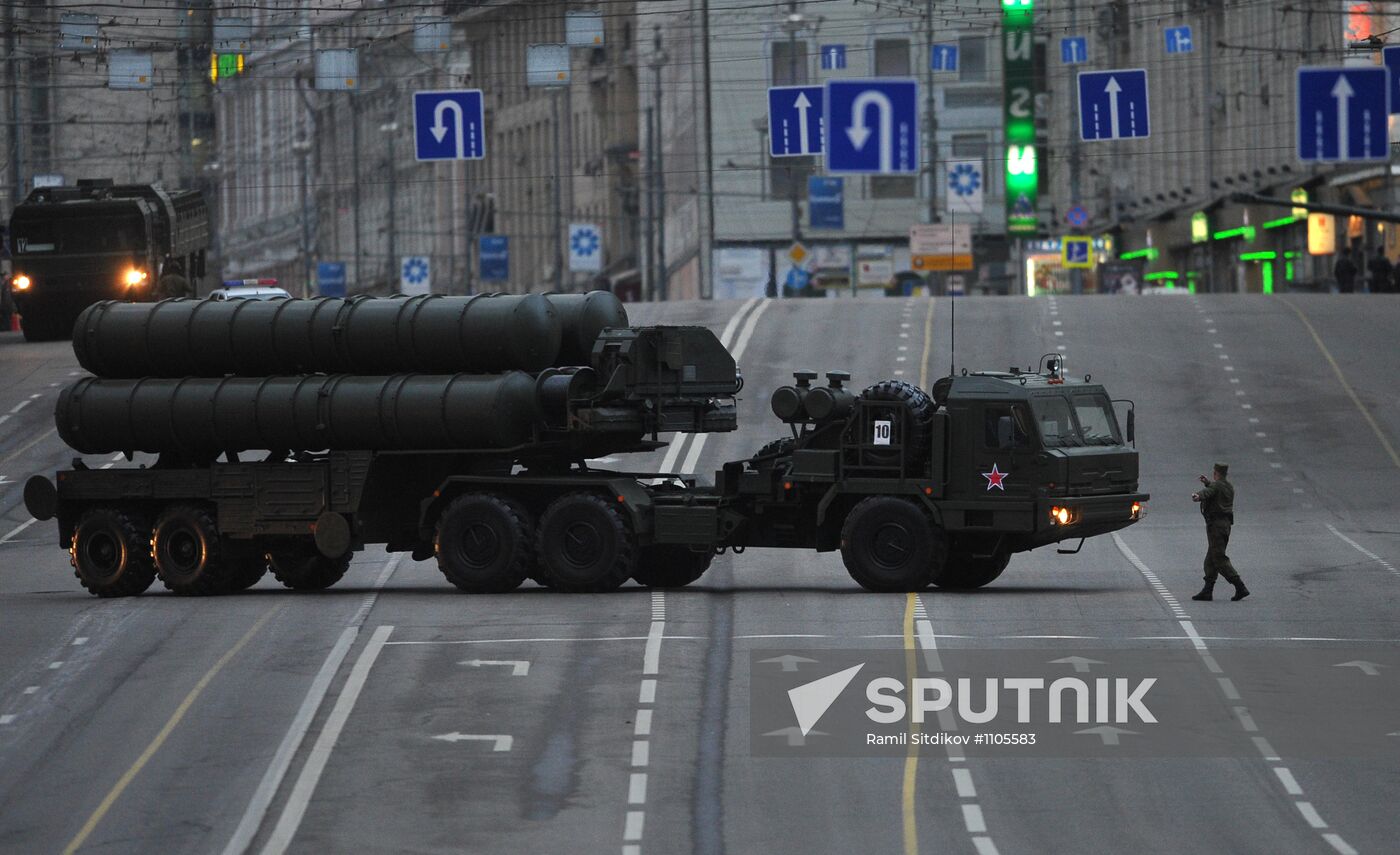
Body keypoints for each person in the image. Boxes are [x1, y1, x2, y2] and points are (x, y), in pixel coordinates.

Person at [1191, 463, 1249, 601]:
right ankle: (1207, 590)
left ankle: (1240, 586)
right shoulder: (1228, 486)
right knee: (1211, 559)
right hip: (1225, 525)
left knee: (1219, 559)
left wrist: (1197, 496)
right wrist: (1207, 483)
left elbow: (1209, 492)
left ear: (1216, 473)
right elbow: (1215, 489)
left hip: (1216, 526)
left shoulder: (1216, 486)